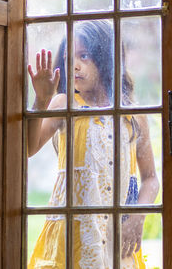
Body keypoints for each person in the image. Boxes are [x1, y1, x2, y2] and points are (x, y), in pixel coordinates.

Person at [27, 20, 159, 269]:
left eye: (84, 56)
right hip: (71, 235)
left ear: (106, 57)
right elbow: (29, 148)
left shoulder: (132, 113)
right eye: (69, 58)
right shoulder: (63, 104)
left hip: (116, 238)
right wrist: (41, 100)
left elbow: (151, 179)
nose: (74, 65)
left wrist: (137, 218)